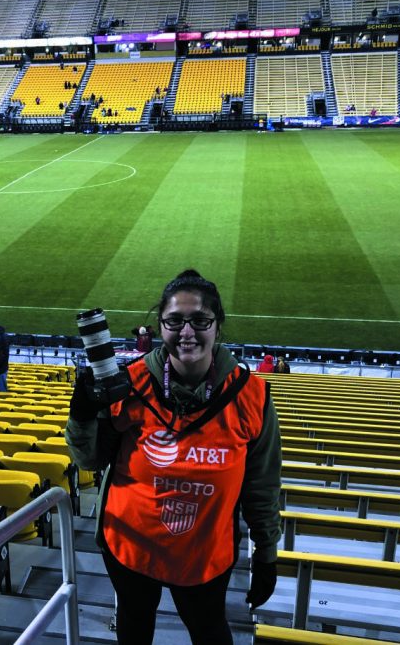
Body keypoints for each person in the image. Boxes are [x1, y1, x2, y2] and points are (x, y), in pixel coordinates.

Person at [65, 269, 282, 644]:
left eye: (200, 320)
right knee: (134, 627)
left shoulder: (252, 395)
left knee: (209, 631)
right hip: (129, 545)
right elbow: (88, 461)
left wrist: (266, 551)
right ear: (160, 325)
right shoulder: (126, 382)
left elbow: (261, 484)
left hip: (204, 555)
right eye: (175, 320)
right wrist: (82, 413)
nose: (187, 332)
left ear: (217, 325)